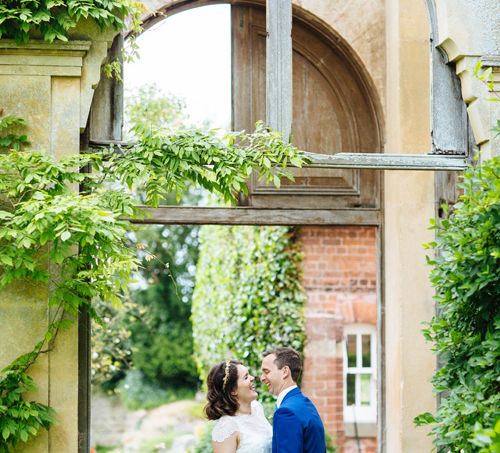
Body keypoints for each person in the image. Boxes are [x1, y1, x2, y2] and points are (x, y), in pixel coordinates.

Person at [261, 347, 326, 453]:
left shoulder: (286, 412)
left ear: (285, 371)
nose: (262, 378)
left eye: (267, 372)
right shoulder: (303, 403)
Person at [205, 359, 272, 453]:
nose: (252, 378)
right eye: (246, 377)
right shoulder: (226, 428)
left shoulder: (257, 408)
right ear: (233, 390)